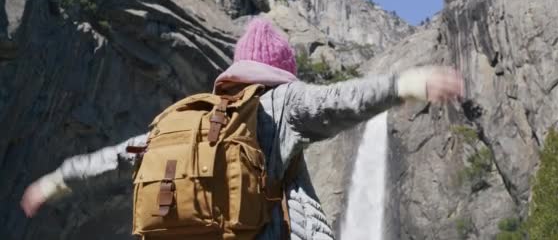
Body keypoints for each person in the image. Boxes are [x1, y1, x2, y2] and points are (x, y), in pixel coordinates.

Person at [21, 17, 464, 239]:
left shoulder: (187, 119)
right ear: (283, 71)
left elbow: (121, 156)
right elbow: (340, 101)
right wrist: (405, 84)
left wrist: (59, 180)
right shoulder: (285, 102)